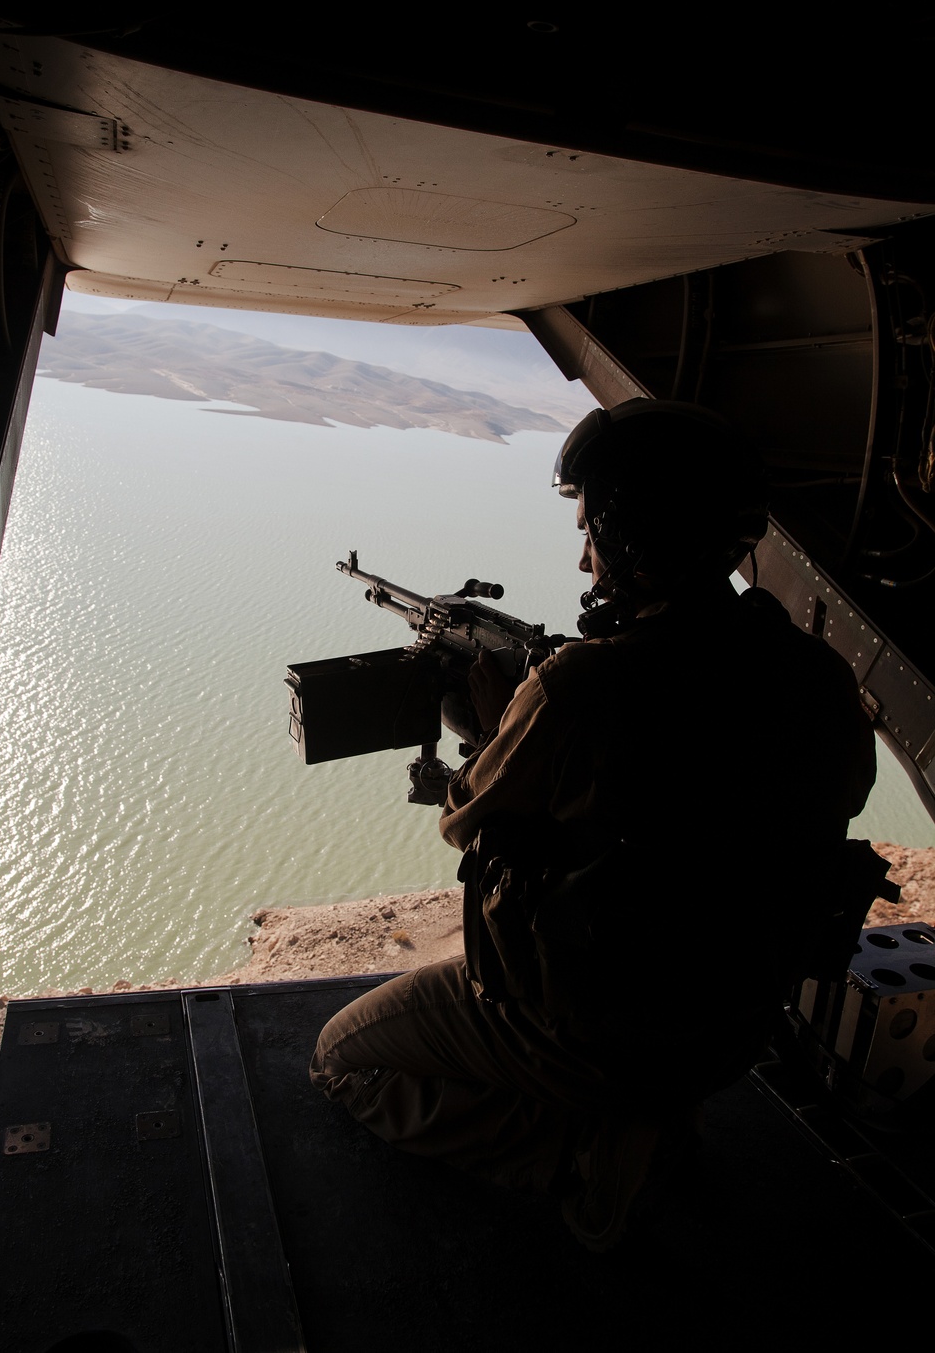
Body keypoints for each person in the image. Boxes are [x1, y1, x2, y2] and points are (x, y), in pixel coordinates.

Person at [310, 400, 878, 1250]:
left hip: (598, 1034)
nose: (583, 556)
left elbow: (464, 821)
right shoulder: (818, 678)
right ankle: (631, 1121)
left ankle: (585, 1159)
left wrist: (505, 725)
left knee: (342, 1058)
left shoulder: (581, 689)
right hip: (739, 1025)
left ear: (637, 538)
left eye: (593, 533)